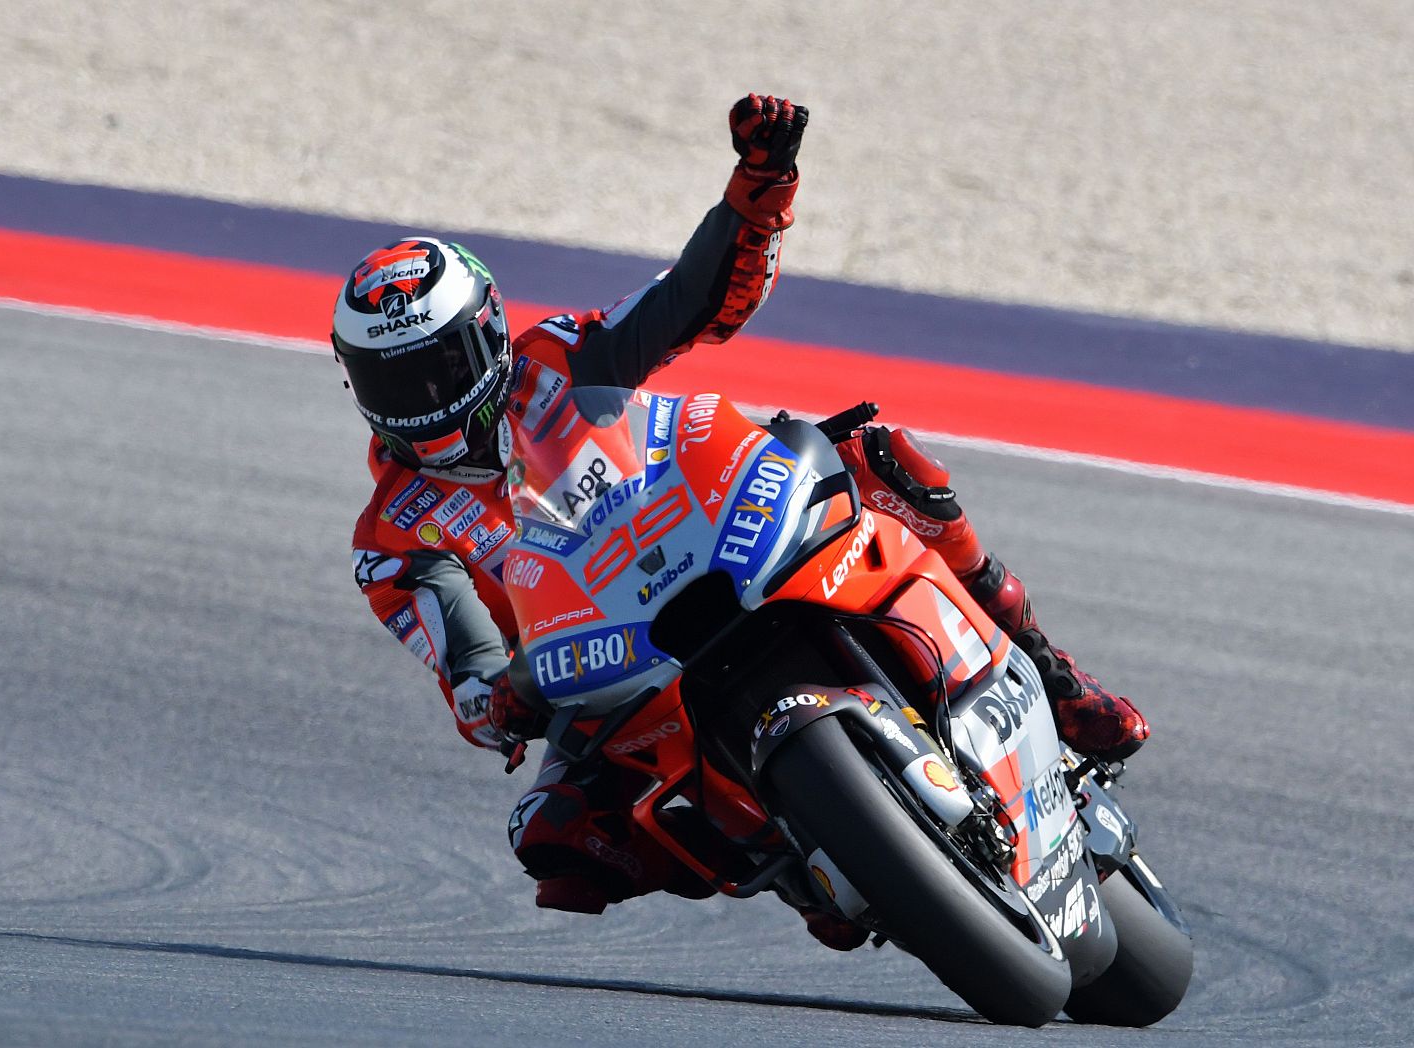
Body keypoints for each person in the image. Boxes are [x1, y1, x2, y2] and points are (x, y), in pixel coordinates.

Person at [334, 95, 1149, 948]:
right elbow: (468, 673)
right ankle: (797, 853)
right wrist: (500, 698)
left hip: (720, 545)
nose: (425, 403)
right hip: (603, 665)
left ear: (490, 336)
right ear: (358, 386)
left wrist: (760, 185)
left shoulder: (563, 355)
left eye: (440, 369)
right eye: (395, 383)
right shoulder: (396, 536)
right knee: (556, 835)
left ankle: (1055, 680)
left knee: (884, 461)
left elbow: (695, 300)